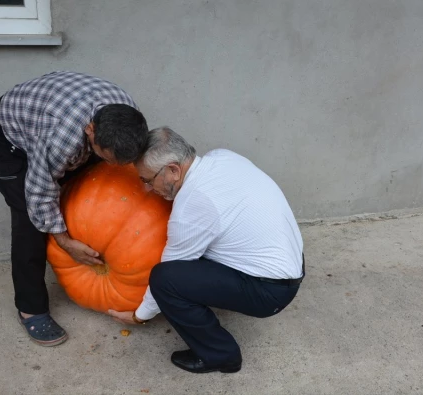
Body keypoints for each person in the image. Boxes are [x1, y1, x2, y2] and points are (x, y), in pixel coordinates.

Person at [108, 127, 304, 373]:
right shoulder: (222, 156)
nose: (148, 188)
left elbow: (171, 270)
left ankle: (221, 356)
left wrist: (140, 315)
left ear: (173, 170)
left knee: (165, 280)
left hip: (270, 291)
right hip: (292, 262)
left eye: (148, 180)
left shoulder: (193, 204)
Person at [0, 71, 148, 346]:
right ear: (90, 131)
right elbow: (40, 192)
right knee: (28, 220)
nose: (114, 167)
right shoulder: (62, 139)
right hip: (8, 132)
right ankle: (30, 308)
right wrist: (65, 242)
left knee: (81, 182)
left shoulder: (127, 116)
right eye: (107, 157)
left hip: (53, 113)